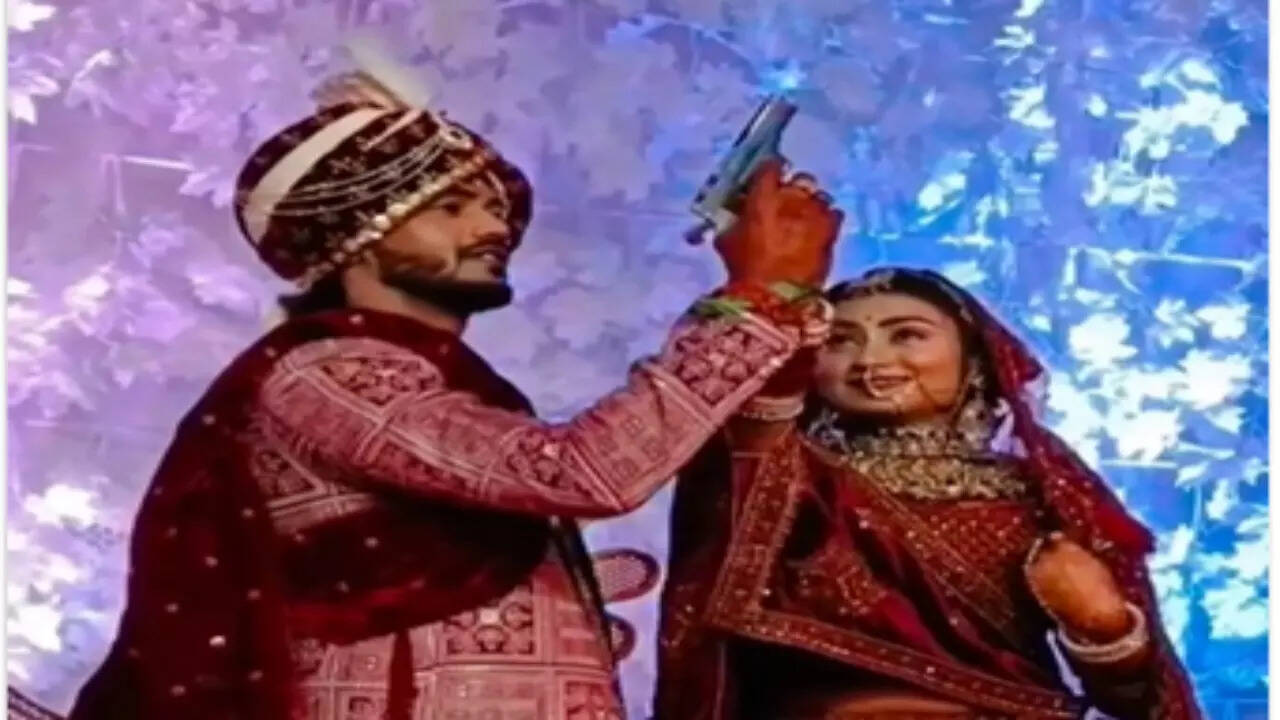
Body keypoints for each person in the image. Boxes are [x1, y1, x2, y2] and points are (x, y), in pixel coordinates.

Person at [67, 70, 843, 720]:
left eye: (495, 205)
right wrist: (755, 297)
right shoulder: (322, 373)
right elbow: (586, 472)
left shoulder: (458, 389)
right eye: (451, 205)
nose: (491, 225)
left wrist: (783, 302)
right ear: (355, 234)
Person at [655, 268, 1202, 719]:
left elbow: (1141, 700)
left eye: (907, 335)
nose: (870, 361)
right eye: (841, 341)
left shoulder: (1044, 495)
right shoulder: (789, 476)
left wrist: (1104, 629)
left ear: (975, 361)